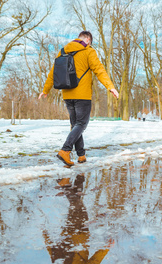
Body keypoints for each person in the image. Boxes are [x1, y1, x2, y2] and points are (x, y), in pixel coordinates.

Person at [39, 31, 119, 166]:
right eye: (90, 42)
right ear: (88, 39)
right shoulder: (88, 51)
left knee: (75, 125)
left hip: (67, 94)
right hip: (82, 95)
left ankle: (81, 155)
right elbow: (99, 70)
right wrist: (110, 86)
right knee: (81, 124)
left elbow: (53, 72)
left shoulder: (63, 51)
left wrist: (45, 90)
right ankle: (65, 150)